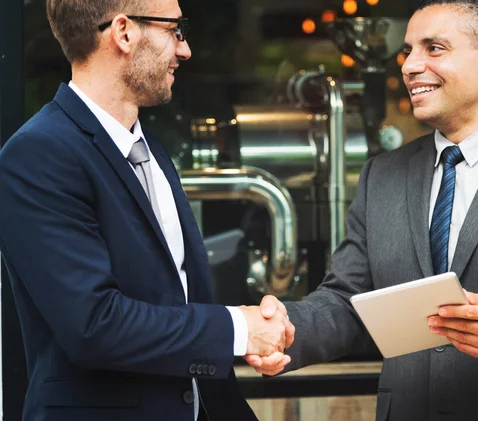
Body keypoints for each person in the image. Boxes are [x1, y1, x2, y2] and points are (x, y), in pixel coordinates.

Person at [246, 0, 478, 419]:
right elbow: (348, 301)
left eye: (434, 48)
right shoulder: (383, 174)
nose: (410, 66)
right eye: (408, 51)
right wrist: (283, 328)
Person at [0, 0, 294, 420]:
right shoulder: (37, 155)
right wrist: (236, 330)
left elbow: (171, 300)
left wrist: (240, 341)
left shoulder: (149, 148)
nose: (185, 49)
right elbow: (94, 325)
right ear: (123, 32)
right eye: (175, 29)